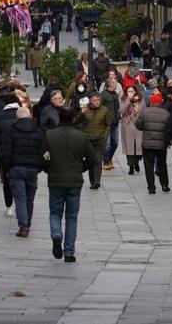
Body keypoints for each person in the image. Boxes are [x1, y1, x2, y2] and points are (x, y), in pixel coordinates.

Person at [44, 107, 98, 263]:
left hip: (55, 179)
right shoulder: (81, 136)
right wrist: (81, 168)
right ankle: (69, 252)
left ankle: (56, 234)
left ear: (59, 118)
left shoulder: (50, 135)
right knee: (72, 216)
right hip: (74, 180)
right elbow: (94, 159)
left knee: (55, 212)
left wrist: (49, 169)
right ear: (74, 119)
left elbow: (40, 158)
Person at [1, 107, 46, 238]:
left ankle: (24, 226)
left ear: (18, 117)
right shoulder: (38, 132)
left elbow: (6, 153)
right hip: (32, 169)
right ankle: (27, 222)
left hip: (16, 168)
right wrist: (39, 167)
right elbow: (43, 150)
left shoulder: (11, 131)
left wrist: (7, 169)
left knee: (20, 198)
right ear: (30, 116)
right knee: (29, 199)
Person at [0, 92, 21, 216]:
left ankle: (9, 206)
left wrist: (2, 145)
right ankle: (21, 204)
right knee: (20, 179)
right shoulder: (23, 114)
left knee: (7, 180)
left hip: (5, 153)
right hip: (21, 152)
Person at [135, 93, 171, 193]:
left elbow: (138, 125)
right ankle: (164, 185)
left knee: (148, 165)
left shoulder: (145, 112)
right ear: (161, 102)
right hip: (161, 143)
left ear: (151, 102)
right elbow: (169, 129)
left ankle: (151, 187)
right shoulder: (166, 113)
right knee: (162, 164)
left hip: (147, 143)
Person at [76, 92, 112, 189]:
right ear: (90, 101)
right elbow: (75, 121)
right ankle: (92, 181)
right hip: (88, 140)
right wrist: (81, 113)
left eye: (98, 100)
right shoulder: (86, 110)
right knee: (90, 161)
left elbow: (108, 124)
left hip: (100, 139)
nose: (97, 102)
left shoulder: (105, 110)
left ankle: (96, 181)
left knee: (98, 160)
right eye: (95, 100)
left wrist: (105, 136)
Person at [119, 85, 144, 175]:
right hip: (127, 125)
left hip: (139, 125)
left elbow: (143, 112)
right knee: (129, 147)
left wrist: (136, 103)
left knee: (138, 146)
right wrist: (128, 101)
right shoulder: (123, 99)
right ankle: (130, 166)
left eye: (132, 91)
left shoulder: (140, 100)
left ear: (135, 91)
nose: (130, 93)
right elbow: (121, 111)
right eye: (128, 91)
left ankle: (136, 162)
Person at [100, 77, 121, 171]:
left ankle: (109, 158)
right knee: (107, 144)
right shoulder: (103, 95)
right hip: (106, 123)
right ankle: (106, 161)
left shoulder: (115, 94)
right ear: (109, 84)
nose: (116, 83)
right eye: (114, 82)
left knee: (115, 143)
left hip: (115, 122)